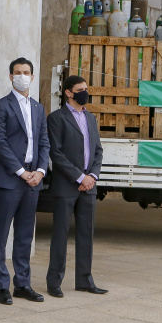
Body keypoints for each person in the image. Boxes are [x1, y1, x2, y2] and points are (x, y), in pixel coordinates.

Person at [0, 57, 50, 305]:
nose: (22, 75)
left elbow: (44, 142)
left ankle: (22, 284)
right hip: (10, 179)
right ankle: (1, 285)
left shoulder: (38, 108)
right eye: (17, 72)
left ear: (32, 77)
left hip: (33, 179)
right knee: (1, 234)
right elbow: (0, 144)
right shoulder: (0, 106)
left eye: (26, 72)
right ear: (11, 76)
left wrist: (41, 171)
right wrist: (20, 172)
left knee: (25, 235)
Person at [45, 75, 107, 298]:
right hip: (66, 186)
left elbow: (98, 151)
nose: (85, 93)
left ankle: (84, 280)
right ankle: (54, 281)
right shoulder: (56, 118)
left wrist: (92, 176)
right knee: (60, 234)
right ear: (68, 93)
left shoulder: (90, 118)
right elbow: (56, 153)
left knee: (86, 234)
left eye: (86, 89)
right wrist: (79, 177)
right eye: (80, 89)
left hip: (89, 186)